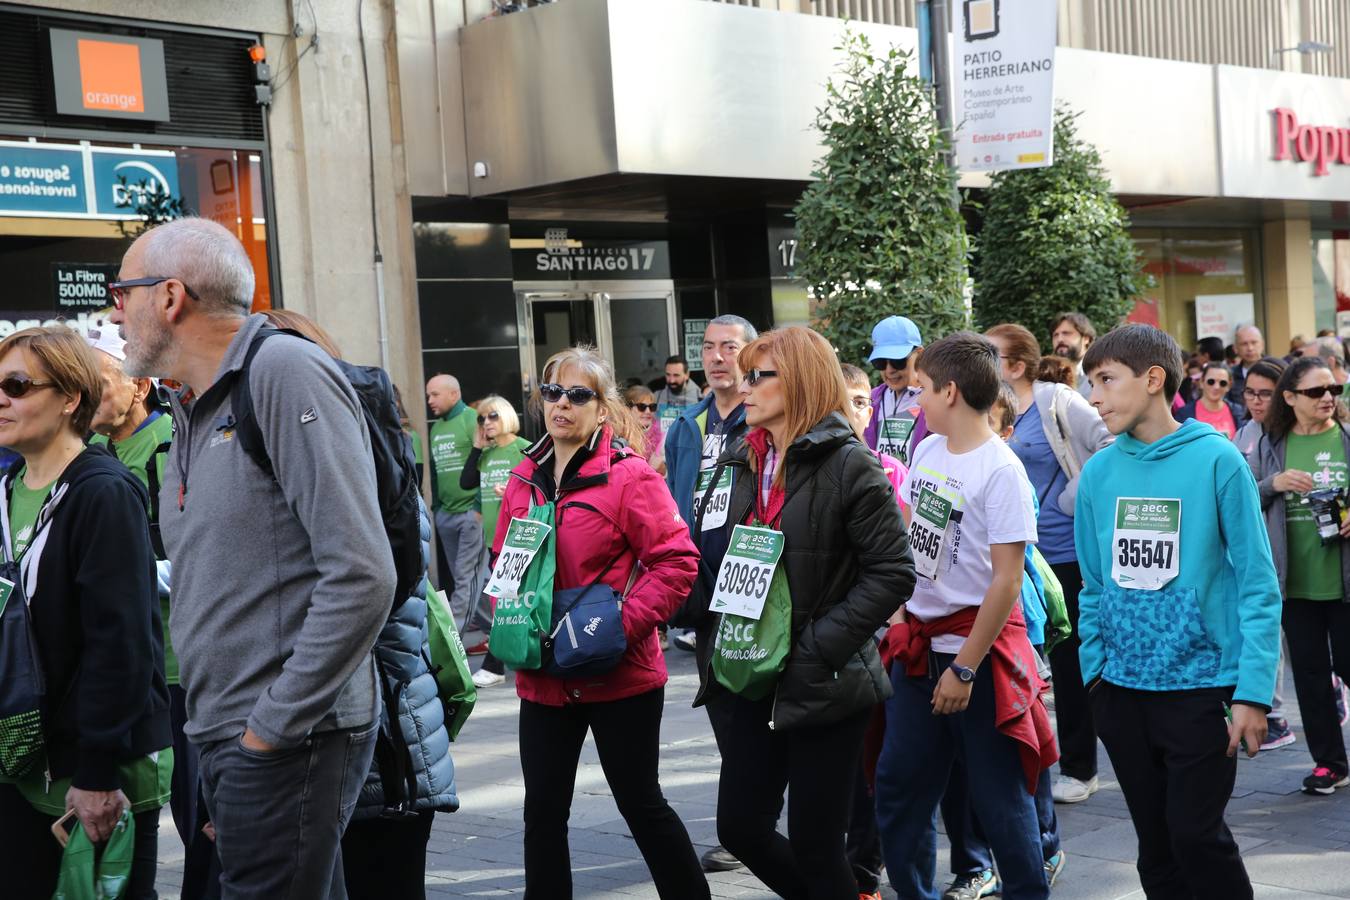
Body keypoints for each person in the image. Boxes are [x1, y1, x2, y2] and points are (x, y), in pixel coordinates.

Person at [110, 216, 395, 899]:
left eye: (122, 292)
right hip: (231, 733)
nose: (112, 311)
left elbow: (362, 573)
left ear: (170, 297)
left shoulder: (284, 373)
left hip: (286, 735)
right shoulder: (191, 403)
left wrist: (267, 732)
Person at [692, 326, 913, 900]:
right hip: (749, 668)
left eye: (759, 376)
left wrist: (819, 646)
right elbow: (723, 552)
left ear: (802, 381)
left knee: (817, 844)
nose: (745, 388)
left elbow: (892, 572)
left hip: (824, 679)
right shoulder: (742, 457)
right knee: (739, 826)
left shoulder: (851, 464)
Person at [493, 345, 708, 899]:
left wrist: (619, 625)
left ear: (603, 408)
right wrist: (509, 619)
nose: (561, 403)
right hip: (543, 677)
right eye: (552, 392)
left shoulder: (629, 477)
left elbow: (677, 562)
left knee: (641, 805)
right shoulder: (522, 479)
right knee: (542, 813)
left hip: (620, 674)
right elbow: (504, 564)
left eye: (578, 394)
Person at [1076, 324, 1280, 898]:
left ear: (1153, 379)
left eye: (1106, 380)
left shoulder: (1217, 460)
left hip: (1202, 690)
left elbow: (1258, 583)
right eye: (1091, 382)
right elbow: (1092, 585)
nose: (1094, 397)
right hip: (1120, 692)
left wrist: (1252, 692)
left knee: (1197, 837)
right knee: (1157, 851)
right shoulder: (1099, 471)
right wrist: (1095, 678)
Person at [874, 331, 1054, 900]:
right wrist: (901, 612)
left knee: (1000, 800)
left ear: (949, 391)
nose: (914, 398)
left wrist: (966, 668)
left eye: (922, 387)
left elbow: (1007, 581)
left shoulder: (1002, 470)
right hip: (917, 645)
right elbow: (908, 539)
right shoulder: (927, 451)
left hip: (978, 655)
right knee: (898, 786)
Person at [0, 326, 171, 900]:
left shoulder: (103, 492)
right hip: (21, 765)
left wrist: (97, 772)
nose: (2, 398)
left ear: (70, 398)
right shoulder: (6, 491)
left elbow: (120, 645)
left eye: (17, 384)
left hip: (92, 778)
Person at [935, 382, 1068, 900]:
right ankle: (978, 864)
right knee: (971, 772)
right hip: (955, 636)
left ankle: (1043, 848)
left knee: (1016, 760)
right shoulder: (939, 457)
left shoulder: (1005, 474)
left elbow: (1010, 578)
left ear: (1006, 431)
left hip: (1011, 634)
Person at [984, 323, 1111, 805]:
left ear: (1016, 365)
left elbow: (1108, 442)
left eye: (989, 354)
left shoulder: (1055, 399)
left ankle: (1081, 767)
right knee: (1030, 658)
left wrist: (1069, 497)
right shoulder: (989, 404)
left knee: (1069, 657)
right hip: (1020, 555)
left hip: (1066, 551)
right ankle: (1033, 756)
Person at [662, 314, 756, 873]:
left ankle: (754, 825)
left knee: (760, 708)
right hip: (702, 592)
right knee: (723, 709)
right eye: (710, 347)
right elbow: (673, 505)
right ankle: (747, 827)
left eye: (731, 347)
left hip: (755, 588)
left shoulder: (765, 415)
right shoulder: (686, 425)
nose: (718, 356)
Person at [1249, 356, 1350, 795]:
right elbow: (1243, 498)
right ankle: (1330, 763)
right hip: (1294, 584)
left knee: (1346, 664)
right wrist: (1276, 484)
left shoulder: (1347, 439)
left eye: (1333, 390)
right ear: (1289, 398)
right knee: (1309, 677)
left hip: (1344, 582)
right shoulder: (1270, 443)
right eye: (1315, 391)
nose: (1327, 397)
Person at [841, 362, 909, 900]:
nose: (855, 410)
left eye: (863, 401)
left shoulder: (893, 471)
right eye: (845, 400)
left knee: (874, 761)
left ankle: (865, 869)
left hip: (880, 637)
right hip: (820, 642)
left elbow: (903, 565)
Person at [459, 394, 530, 688]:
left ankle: (495, 664)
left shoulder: (523, 449)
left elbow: (540, 488)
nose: (486, 423)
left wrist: (513, 489)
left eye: (492, 417)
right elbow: (466, 483)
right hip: (493, 539)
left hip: (517, 538)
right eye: (481, 418)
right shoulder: (486, 456)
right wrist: (477, 446)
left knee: (504, 599)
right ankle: (515, 656)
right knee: (507, 598)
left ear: (507, 417)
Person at [427, 372, 489, 637]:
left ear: (454, 394)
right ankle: (501, 632)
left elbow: (486, 462)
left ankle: (451, 642)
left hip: (470, 515)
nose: (429, 400)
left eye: (435, 394)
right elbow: (436, 470)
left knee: (466, 579)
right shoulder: (436, 427)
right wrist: (438, 508)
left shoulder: (471, 420)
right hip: (446, 515)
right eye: (428, 395)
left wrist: (477, 507)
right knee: (473, 580)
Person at [862, 315, 926, 466]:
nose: (889, 370)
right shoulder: (870, 400)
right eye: (881, 362)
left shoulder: (937, 400)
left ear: (919, 354)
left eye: (898, 361)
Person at [1174, 361, 1245, 439]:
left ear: (1229, 385)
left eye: (1222, 383)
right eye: (1211, 382)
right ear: (1201, 382)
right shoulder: (1184, 414)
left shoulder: (1239, 412)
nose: (1216, 387)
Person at [1235, 358, 1286, 461]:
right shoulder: (1242, 434)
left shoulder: (1299, 434)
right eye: (1249, 392)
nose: (1256, 401)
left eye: (1266, 394)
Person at [1049, 312, 1095, 400]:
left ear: (1086, 338)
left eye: (1066, 333)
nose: (1060, 339)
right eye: (1055, 335)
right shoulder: (1048, 377)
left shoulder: (1099, 372)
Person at [626, 384, 666, 474]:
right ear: (627, 408)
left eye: (652, 407)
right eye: (642, 407)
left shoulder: (662, 437)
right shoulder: (616, 435)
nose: (648, 412)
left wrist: (662, 469)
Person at [655, 354, 701, 431]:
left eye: (676, 375)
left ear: (687, 375)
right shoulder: (657, 397)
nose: (671, 380)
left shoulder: (700, 397)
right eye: (668, 375)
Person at [1230, 325, 1266, 404]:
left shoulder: (1277, 370)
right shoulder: (1230, 375)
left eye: (1254, 342)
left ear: (1262, 344)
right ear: (1235, 348)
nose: (1250, 348)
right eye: (1244, 344)